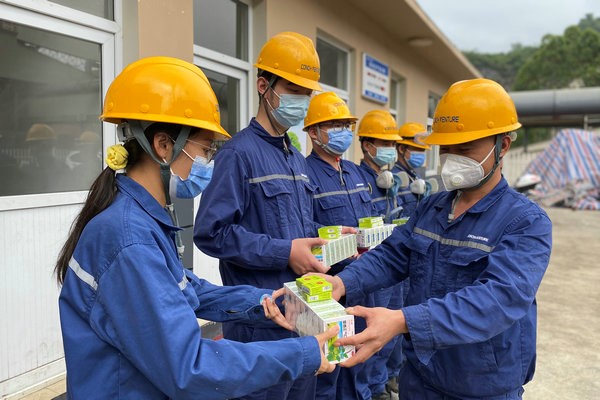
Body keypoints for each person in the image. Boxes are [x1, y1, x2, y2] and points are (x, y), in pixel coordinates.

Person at [54, 56, 338, 400]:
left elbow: (189, 290)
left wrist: (270, 301)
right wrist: (304, 353)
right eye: (205, 148)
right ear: (162, 146)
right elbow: (190, 366)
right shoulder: (129, 239)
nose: (209, 161)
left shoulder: (144, 219)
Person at [323, 78, 553, 399]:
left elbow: (499, 300)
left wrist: (403, 320)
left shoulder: (525, 221)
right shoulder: (432, 206)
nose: (452, 157)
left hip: (481, 385)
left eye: (466, 148)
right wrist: (343, 282)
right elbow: (393, 255)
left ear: (503, 145)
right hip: (421, 374)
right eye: (446, 148)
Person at [193, 32, 336, 400]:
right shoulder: (238, 154)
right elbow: (211, 233)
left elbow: (298, 228)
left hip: (303, 316)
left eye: (307, 94)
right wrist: (284, 251)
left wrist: (333, 237)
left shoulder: (293, 156)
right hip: (261, 321)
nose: (302, 102)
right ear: (263, 86)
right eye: (293, 89)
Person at [303, 92, 379, 400]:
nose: (343, 131)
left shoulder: (356, 172)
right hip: (329, 290)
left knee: (359, 361)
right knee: (328, 369)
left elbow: (370, 221)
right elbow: (304, 235)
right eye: (334, 125)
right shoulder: (305, 174)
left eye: (346, 124)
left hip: (365, 283)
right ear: (313, 132)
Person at [356, 110, 404, 222]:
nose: (392, 149)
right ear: (367, 146)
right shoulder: (357, 179)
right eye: (386, 144)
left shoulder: (389, 177)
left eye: (393, 144)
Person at [391, 122, 432, 219]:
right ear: (401, 149)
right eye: (417, 149)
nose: (421, 155)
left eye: (423, 151)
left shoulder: (415, 176)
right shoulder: (394, 179)